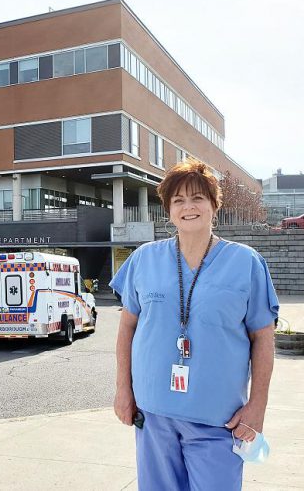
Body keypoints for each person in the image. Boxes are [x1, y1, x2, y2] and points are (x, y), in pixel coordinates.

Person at [110, 159, 278, 490]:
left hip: (219, 419)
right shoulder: (144, 259)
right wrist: (122, 389)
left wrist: (257, 405)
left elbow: (263, 337)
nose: (189, 207)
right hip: (153, 414)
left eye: (198, 198)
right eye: (178, 200)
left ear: (214, 204)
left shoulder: (245, 263)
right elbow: (126, 329)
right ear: (169, 210)